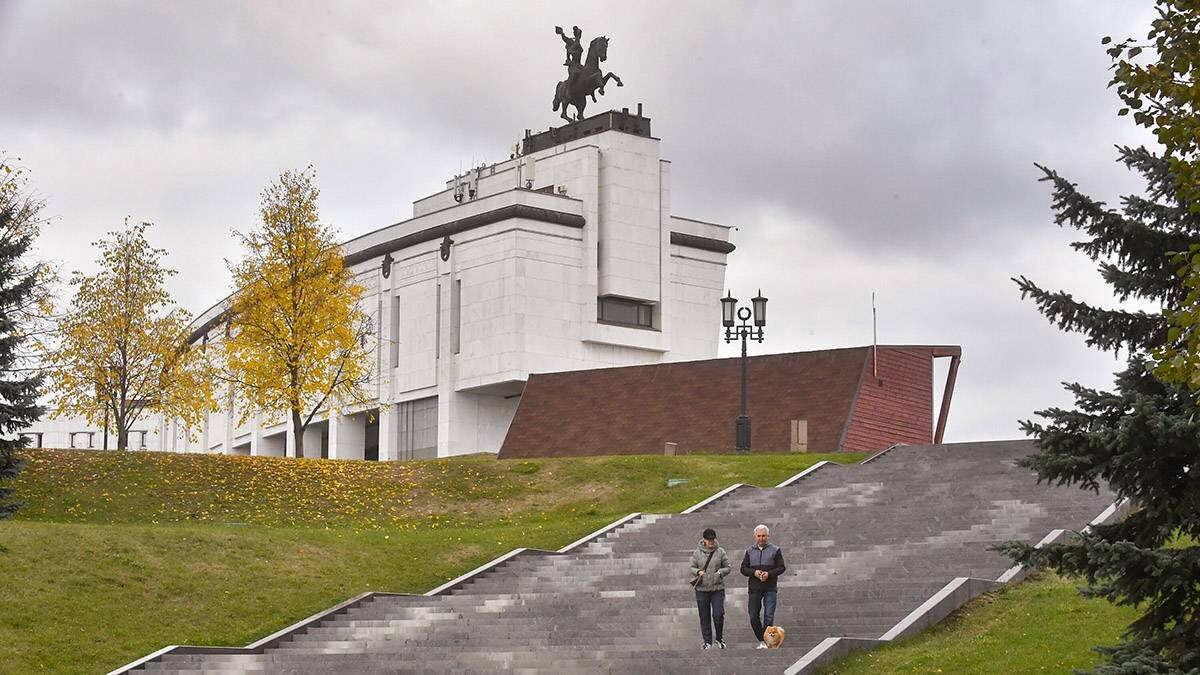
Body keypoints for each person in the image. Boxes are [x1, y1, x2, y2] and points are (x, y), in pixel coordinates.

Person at [740, 523, 786, 649]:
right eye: (759, 536)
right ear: (755, 536)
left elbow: (782, 567)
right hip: (754, 588)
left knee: (768, 615)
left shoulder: (775, 550)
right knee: (753, 615)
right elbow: (743, 569)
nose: (761, 538)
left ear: (768, 536)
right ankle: (763, 639)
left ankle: (767, 642)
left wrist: (769, 574)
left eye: (764, 536)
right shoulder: (749, 551)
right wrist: (754, 573)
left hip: (770, 587)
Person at [689, 527, 731, 650]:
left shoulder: (720, 551)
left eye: (713, 539)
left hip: (717, 588)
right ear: (704, 540)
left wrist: (720, 573)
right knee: (704, 616)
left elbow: (728, 567)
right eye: (709, 540)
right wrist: (697, 572)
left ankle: (719, 638)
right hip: (702, 590)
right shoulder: (697, 552)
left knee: (718, 614)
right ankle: (707, 641)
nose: (711, 542)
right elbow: (692, 567)